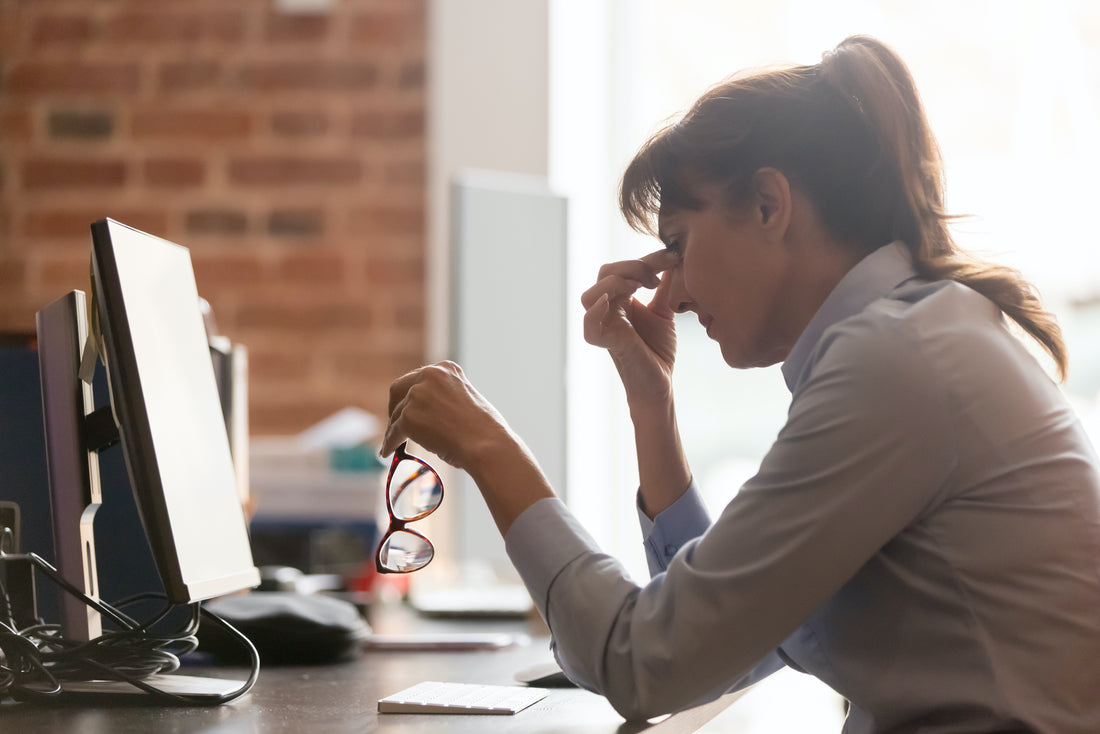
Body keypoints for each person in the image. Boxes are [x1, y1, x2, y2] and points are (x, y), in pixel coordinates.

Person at [380, 35, 1100, 732]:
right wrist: (650, 403)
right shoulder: (916, 336)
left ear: (768, 205)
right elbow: (723, 639)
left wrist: (489, 449)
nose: (677, 291)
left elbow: (644, 665)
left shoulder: (895, 363)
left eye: (679, 246)